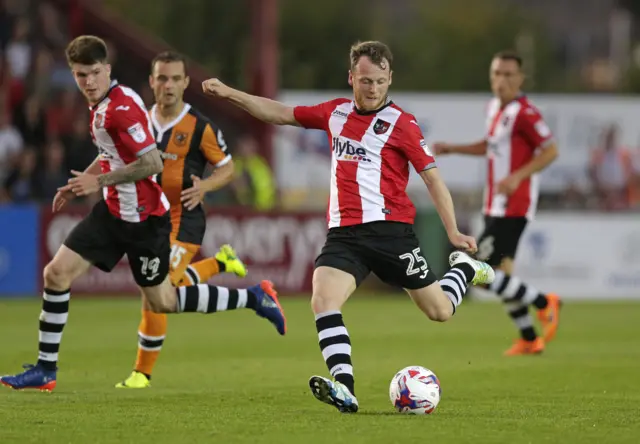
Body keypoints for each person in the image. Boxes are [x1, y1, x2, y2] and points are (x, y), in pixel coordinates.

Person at [202, 40, 495, 413]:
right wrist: (229, 93)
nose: (372, 89)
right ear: (351, 78)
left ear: (390, 80)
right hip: (344, 235)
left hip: (391, 233)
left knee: (439, 311)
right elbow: (279, 113)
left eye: (380, 81)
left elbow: (433, 179)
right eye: (365, 80)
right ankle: (345, 387)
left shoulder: (402, 124)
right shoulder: (335, 113)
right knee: (323, 300)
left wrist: (452, 232)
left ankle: (464, 269)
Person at [0, 35, 286, 393]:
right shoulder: (104, 106)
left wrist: (99, 180)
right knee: (56, 274)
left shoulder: (123, 109)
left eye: (92, 73)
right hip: (112, 212)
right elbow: (111, 152)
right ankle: (45, 369)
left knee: (164, 301)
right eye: (79, 75)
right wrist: (87, 180)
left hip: (147, 221)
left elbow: (150, 162)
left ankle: (252, 297)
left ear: (107, 70)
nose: (87, 82)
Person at [115, 51, 248, 389]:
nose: (168, 85)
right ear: (151, 82)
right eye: (162, 78)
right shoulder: (138, 122)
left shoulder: (200, 126)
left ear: (186, 83)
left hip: (182, 219)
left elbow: (228, 167)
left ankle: (141, 374)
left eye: (175, 78)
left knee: (157, 292)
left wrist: (205, 185)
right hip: (147, 221)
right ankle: (219, 263)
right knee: (156, 291)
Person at [432, 50, 561, 356]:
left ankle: (545, 302)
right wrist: (454, 148)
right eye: (496, 74)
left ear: (520, 78)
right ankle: (529, 337)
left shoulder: (526, 113)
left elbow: (550, 151)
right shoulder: (494, 109)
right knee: (502, 274)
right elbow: (490, 147)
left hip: (513, 206)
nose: (500, 80)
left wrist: (518, 177)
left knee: (478, 271)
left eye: (507, 74)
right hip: (495, 204)